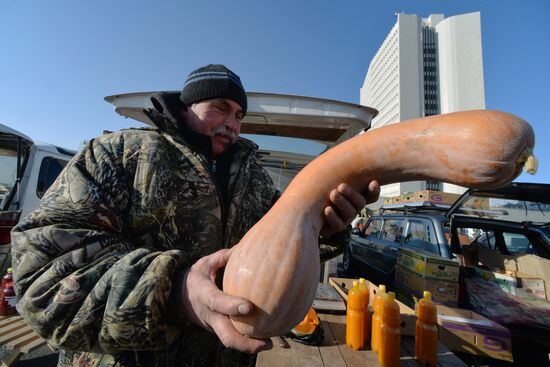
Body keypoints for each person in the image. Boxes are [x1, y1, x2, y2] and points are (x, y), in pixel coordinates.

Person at [11, 64, 380, 366]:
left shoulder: (256, 181)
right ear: (186, 107)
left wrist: (325, 228)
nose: (232, 123)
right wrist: (174, 294)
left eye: (239, 114)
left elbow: (283, 251)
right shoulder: (118, 155)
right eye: (220, 107)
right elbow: (43, 276)